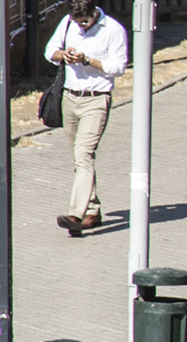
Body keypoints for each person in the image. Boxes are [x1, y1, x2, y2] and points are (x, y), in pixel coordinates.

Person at [44, 0, 128, 237]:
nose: (80, 26)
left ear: (94, 14)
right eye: (76, 22)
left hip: (96, 100)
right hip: (69, 98)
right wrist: (64, 55)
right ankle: (92, 210)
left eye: (84, 22)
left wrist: (87, 60)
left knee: (83, 155)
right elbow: (50, 50)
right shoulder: (68, 23)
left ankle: (75, 215)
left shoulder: (112, 30)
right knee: (80, 159)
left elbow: (118, 67)